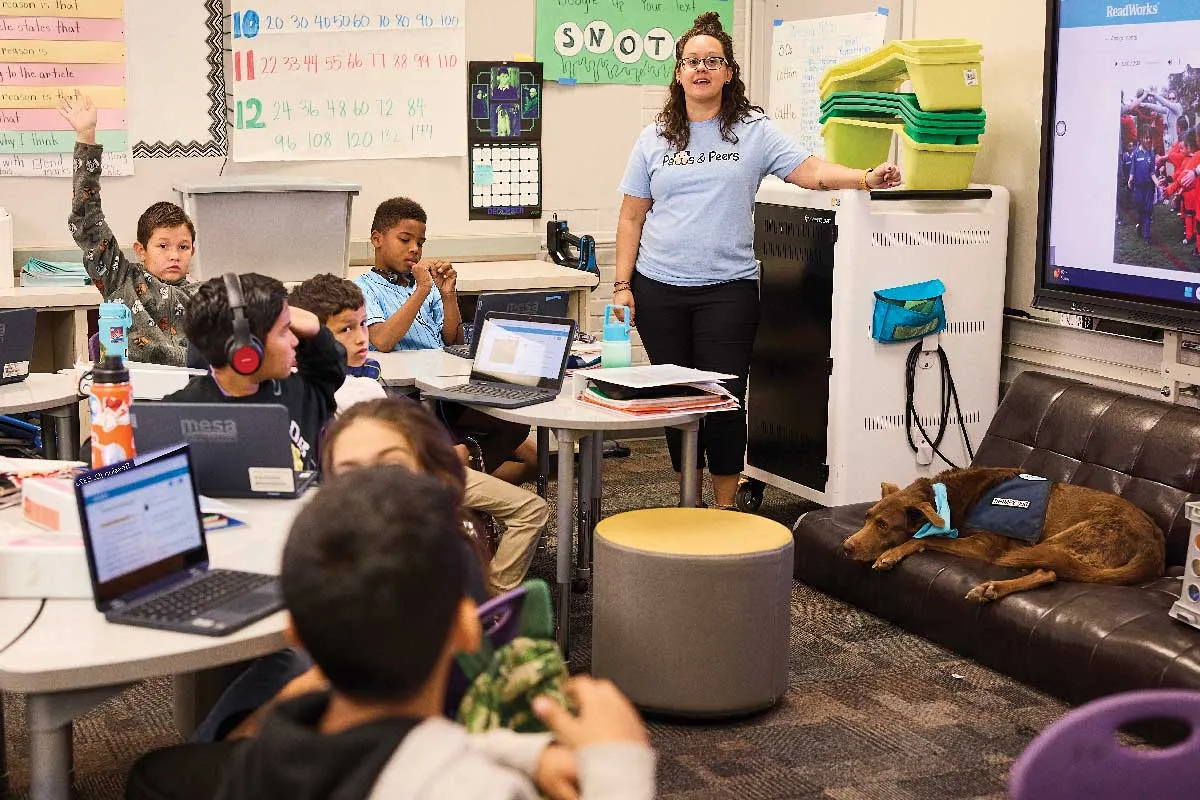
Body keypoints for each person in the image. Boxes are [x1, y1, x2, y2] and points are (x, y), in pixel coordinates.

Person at [126, 468, 656, 800]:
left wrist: (518, 753)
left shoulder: (270, 747)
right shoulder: (476, 789)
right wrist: (619, 765)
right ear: (469, 629)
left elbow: (395, 748)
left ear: (295, 636)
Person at [614, 12, 901, 509]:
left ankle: (725, 506)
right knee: (680, 399)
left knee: (724, 400)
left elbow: (808, 170)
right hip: (659, 288)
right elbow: (631, 217)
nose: (701, 69)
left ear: (729, 72)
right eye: (692, 61)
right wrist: (622, 286)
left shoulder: (752, 130)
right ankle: (689, 499)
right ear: (679, 73)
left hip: (728, 289)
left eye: (713, 61)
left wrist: (863, 177)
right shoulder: (654, 136)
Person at [355, 197, 537, 485]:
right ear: (377, 239)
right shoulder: (364, 287)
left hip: (444, 386)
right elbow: (383, 339)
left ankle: (458, 469)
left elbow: (453, 339)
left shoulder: (424, 285)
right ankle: (457, 475)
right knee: (515, 449)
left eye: (421, 242)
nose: (415, 249)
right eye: (405, 240)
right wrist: (422, 290)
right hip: (406, 395)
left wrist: (447, 294)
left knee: (515, 424)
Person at [60, 93, 198, 365]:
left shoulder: (206, 297)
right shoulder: (120, 279)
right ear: (141, 250)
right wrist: (86, 135)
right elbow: (87, 220)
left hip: (189, 394)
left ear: (193, 250)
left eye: (183, 247)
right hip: (133, 392)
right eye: (162, 246)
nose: (174, 255)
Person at [165, 273, 344, 473]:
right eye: (285, 331)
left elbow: (330, 361)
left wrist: (312, 324)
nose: (295, 341)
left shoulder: (303, 393)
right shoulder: (176, 414)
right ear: (247, 350)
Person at [1130, 129, 1158, 244]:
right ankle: (1140, 226)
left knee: (1148, 210)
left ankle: (1147, 236)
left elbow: (1152, 171)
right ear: (1141, 138)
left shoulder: (1152, 153)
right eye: (1146, 138)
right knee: (1141, 209)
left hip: (1149, 187)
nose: (1148, 140)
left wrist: (1157, 182)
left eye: (1149, 138)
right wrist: (1131, 177)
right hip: (1139, 187)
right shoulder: (1136, 153)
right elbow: (1133, 168)